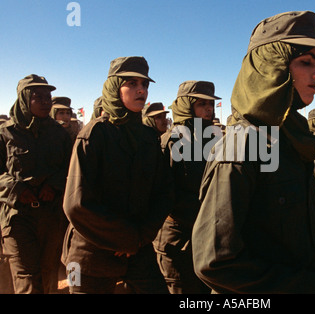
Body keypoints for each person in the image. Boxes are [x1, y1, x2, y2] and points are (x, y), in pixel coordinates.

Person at [191, 11, 315, 294]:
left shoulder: (293, 137)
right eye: (306, 62)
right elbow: (215, 262)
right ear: (274, 66)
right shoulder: (242, 144)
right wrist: (308, 287)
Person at [62, 56, 172, 294]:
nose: (141, 89)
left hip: (138, 247)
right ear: (114, 87)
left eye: (144, 84)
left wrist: (140, 237)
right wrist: (124, 238)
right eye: (131, 83)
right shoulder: (95, 134)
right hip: (92, 251)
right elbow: (76, 204)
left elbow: (162, 193)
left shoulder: (148, 137)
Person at [0, 74, 72, 293]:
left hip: (51, 216)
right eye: (37, 96)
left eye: (48, 96)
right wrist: (17, 189)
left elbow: (70, 169)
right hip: (17, 217)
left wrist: (54, 185)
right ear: (23, 99)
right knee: (27, 278)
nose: (45, 101)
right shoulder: (5, 133)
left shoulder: (59, 134)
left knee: (48, 272)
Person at [153, 80, 221, 294]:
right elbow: (162, 194)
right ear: (186, 106)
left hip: (206, 236)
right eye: (201, 104)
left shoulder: (215, 140)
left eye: (210, 103)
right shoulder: (171, 142)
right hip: (178, 238)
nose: (209, 109)